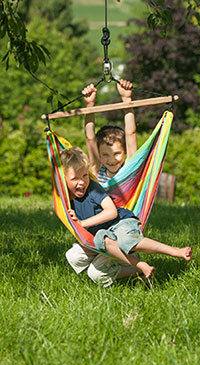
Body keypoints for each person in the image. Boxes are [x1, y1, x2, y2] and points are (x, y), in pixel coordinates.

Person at [61, 147, 192, 287]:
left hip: (119, 223)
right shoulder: (65, 198)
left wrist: (83, 222)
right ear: (63, 179)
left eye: (85, 176)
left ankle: (174, 251)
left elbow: (112, 212)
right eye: (75, 178)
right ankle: (139, 271)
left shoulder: (93, 188)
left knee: (126, 240)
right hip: (101, 239)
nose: (81, 182)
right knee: (84, 265)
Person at [82, 79, 137, 182]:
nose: (112, 160)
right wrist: (89, 105)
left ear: (124, 151)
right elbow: (90, 138)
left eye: (116, 153)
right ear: (98, 154)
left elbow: (131, 133)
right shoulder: (97, 170)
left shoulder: (128, 168)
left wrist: (126, 99)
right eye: (105, 155)